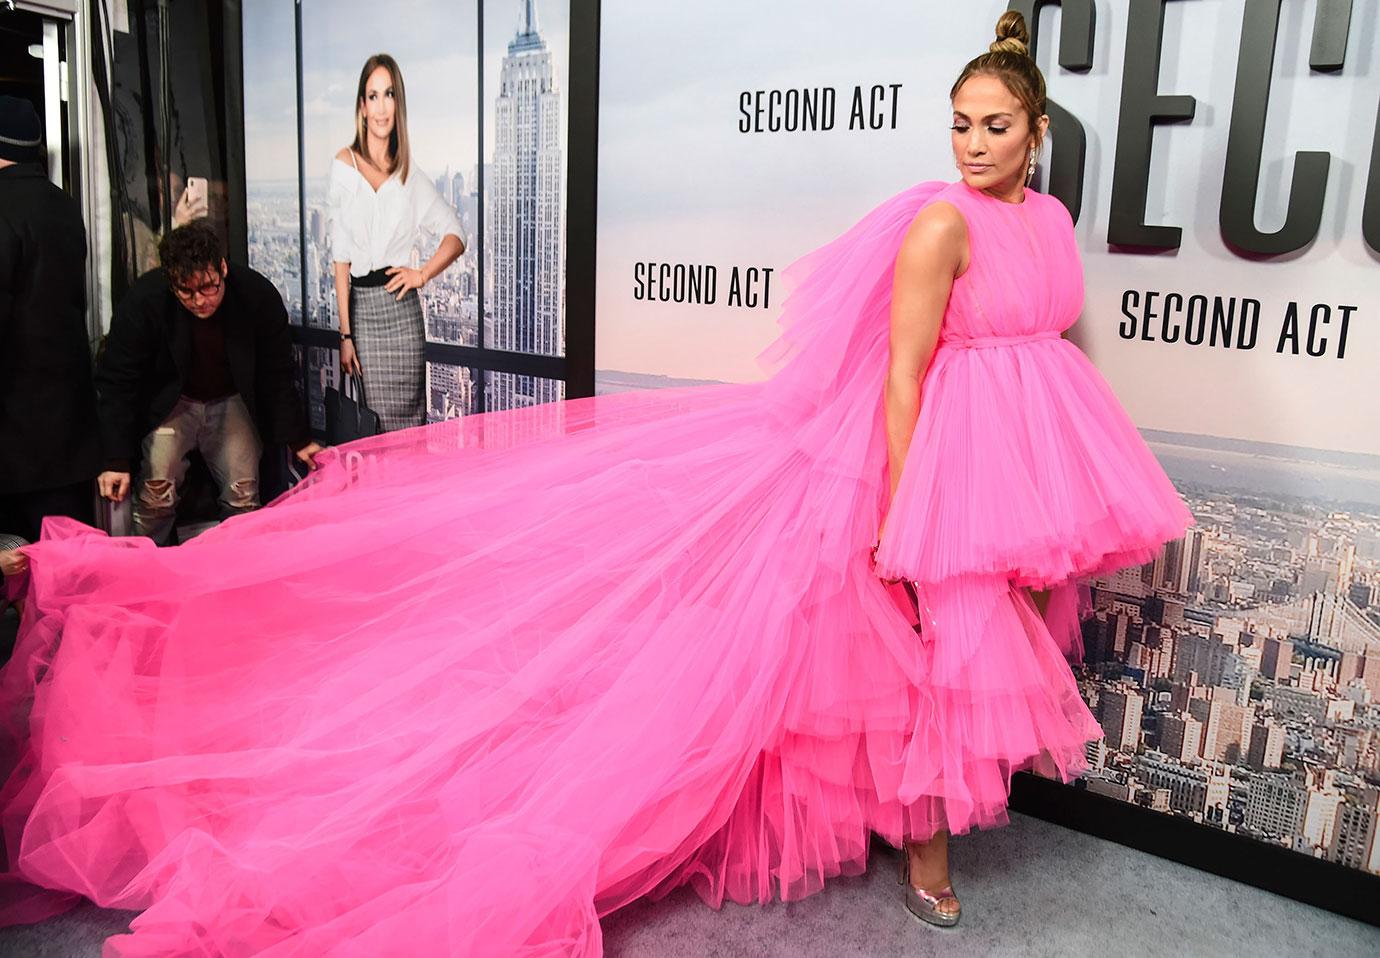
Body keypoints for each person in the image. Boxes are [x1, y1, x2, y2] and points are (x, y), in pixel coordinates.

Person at [0, 13, 1192, 954]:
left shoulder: (1049, 218)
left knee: (981, 650)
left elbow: (1039, 345)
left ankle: (920, 829)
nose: (972, 143)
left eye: (993, 125)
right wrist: (897, 509)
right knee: (934, 649)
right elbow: (902, 379)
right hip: (930, 467)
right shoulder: (938, 227)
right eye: (958, 123)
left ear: (1037, 130)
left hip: (1023, 465)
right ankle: (927, 853)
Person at [93, 222, 323, 544]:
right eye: (185, 291)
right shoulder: (145, 301)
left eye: (208, 287)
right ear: (170, 280)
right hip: (171, 402)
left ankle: (238, 571)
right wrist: (114, 458)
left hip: (231, 399)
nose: (199, 300)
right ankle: (143, 565)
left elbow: (277, 374)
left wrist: (298, 439)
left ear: (223, 268)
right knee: (156, 492)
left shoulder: (256, 296)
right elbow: (118, 380)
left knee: (243, 495)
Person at [328, 53, 465, 432]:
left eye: (389, 94)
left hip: (402, 316)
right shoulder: (345, 166)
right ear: (362, 105)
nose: (381, 106)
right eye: (373, 96)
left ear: (397, 103)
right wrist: (345, 334)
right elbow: (340, 257)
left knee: (407, 433)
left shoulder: (409, 175)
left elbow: (457, 234)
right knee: (372, 431)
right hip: (362, 316)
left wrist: (421, 275)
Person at [0, 95, 100, 545]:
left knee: (15, 558)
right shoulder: (64, 205)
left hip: (14, 431)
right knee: (64, 561)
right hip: (68, 424)